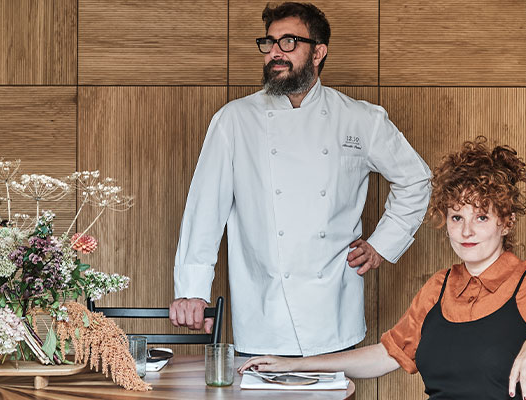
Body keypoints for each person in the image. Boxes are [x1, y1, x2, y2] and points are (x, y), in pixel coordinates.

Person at [238, 138, 526, 399]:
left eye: (481, 217)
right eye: (457, 217)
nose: (467, 231)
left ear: (506, 222)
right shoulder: (440, 287)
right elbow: (387, 355)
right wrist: (293, 365)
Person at [169, 2, 431, 357]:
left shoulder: (359, 119)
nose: (275, 53)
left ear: (318, 52)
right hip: (263, 313)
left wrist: (383, 244)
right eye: (269, 43)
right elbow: (204, 210)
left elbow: (416, 180)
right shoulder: (234, 121)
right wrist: (192, 291)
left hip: (333, 313)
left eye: (288, 42)